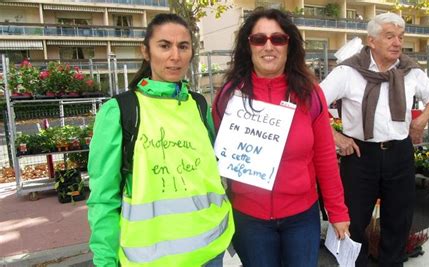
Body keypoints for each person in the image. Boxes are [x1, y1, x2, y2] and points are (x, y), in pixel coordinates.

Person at [87, 13, 234, 267]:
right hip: (151, 259)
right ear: (146, 51)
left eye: (183, 46)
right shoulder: (121, 111)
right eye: (164, 46)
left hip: (211, 249)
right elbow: (103, 197)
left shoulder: (198, 105)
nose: (175, 56)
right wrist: (105, 260)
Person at [212, 8, 350, 267]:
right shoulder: (229, 96)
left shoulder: (310, 94)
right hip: (249, 218)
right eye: (259, 39)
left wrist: (337, 211)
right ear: (248, 46)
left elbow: (324, 158)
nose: (268, 46)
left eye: (278, 39)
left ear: (289, 45)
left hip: (301, 217)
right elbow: (218, 156)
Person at [320, 12, 429, 266]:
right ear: (372, 41)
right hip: (360, 155)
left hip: (399, 153)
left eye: (400, 37)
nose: (397, 42)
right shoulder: (348, 71)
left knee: (399, 221)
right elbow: (313, 105)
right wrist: (335, 137)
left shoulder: (409, 70)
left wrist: (420, 121)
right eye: (390, 36)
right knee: (354, 221)